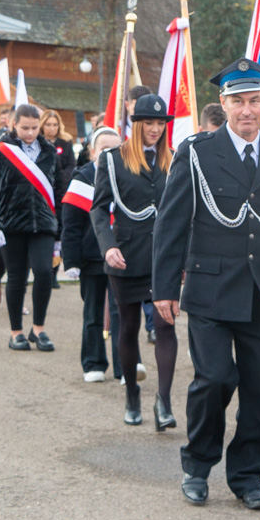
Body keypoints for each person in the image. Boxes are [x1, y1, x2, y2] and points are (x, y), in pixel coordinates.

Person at [152, 58, 260, 509]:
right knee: (215, 378)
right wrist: (164, 287)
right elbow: (171, 223)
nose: (248, 109)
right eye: (239, 101)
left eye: (256, 100)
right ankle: (198, 464)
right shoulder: (197, 153)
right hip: (210, 290)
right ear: (223, 104)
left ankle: (247, 476)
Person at [90, 94, 178, 428]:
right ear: (135, 124)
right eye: (149, 123)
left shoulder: (175, 158)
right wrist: (108, 246)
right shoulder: (112, 160)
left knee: (167, 325)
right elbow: (99, 208)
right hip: (125, 255)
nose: (155, 129)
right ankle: (132, 396)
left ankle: (164, 403)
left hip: (165, 256)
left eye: (160, 123)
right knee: (128, 327)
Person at [0, 104, 64, 350]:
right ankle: (15, 331)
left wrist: (60, 231)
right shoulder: (1, 151)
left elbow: (59, 190)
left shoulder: (49, 151)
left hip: (44, 223)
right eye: (25, 128)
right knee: (17, 277)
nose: (30, 133)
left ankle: (38, 329)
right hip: (11, 223)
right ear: (13, 124)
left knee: (44, 272)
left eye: (34, 128)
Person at [62, 127, 122, 382]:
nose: (109, 153)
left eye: (115, 148)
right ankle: (93, 363)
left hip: (122, 258)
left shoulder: (130, 175)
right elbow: (71, 225)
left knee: (122, 314)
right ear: (93, 152)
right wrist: (72, 260)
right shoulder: (82, 178)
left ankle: (125, 366)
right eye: (104, 149)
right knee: (93, 313)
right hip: (92, 258)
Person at [39, 110, 77, 289]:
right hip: (43, 192)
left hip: (61, 192)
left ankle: (54, 272)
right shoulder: (38, 142)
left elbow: (71, 164)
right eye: (48, 124)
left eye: (55, 124)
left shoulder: (65, 142)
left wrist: (63, 177)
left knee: (58, 233)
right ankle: (43, 269)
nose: (52, 128)